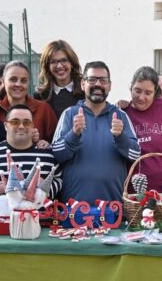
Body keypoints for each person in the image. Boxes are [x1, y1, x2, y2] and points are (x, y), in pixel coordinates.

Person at [51, 61, 140, 203]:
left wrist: (120, 137)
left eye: (103, 80)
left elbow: (135, 155)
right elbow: (57, 154)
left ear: (109, 86)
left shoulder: (121, 116)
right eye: (92, 79)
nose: (98, 84)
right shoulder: (69, 114)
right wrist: (73, 134)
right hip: (74, 210)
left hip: (114, 209)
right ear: (82, 84)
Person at [0, 104, 61, 199]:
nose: (21, 126)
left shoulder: (48, 155)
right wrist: (4, 188)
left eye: (26, 122)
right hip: (1, 212)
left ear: (32, 126)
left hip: (39, 212)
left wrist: (43, 190)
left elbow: (58, 180)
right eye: (15, 122)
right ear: (6, 126)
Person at [0, 60, 57, 146]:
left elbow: (56, 142)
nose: (18, 84)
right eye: (13, 79)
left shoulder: (44, 109)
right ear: (4, 82)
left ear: (28, 83)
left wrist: (47, 144)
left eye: (23, 81)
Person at [34, 40, 84, 119]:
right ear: (47, 67)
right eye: (53, 62)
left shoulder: (84, 91)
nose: (59, 66)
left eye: (64, 60)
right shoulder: (41, 95)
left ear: (72, 63)